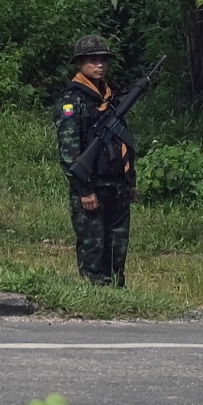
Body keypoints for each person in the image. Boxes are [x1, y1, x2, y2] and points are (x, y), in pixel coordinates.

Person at [54, 35, 138, 287]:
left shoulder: (110, 102)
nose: (100, 65)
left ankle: (116, 292)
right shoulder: (71, 102)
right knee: (93, 246)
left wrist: (130, 181)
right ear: (80, 64)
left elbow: (124, 145)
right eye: (93, 60)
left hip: (117, 186)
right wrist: (85, 191)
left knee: (117, 246)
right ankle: (95, 295)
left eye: (103, 60)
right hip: (92, 187)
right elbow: (69, 154)